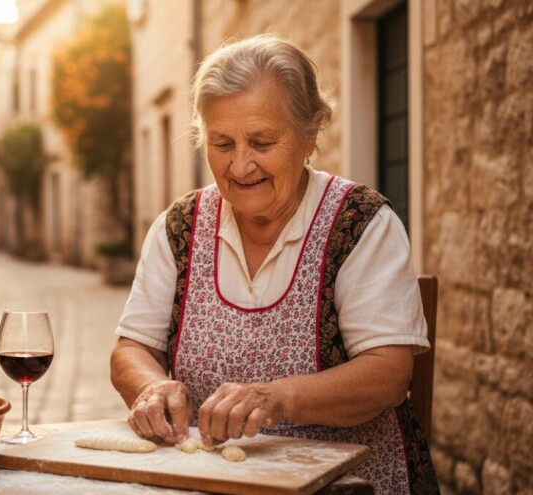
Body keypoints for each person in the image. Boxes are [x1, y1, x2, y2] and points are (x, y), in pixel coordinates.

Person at [110, 34, 438, 494]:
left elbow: (387, 373)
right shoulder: (179, 226)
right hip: (214, 482)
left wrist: (278, 398)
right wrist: (151, 386)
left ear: (312, 133)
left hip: (351, 485)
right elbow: (131, 348)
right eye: (222, 143)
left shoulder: (361, 222)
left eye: (262, 142)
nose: (241, 166)